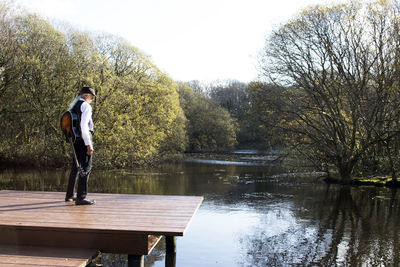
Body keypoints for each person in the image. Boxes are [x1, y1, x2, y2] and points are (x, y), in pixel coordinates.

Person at [65, 86, 96, 205]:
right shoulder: (86, 106)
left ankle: (69, 195)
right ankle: (81, 197)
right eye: (92, 97)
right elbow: (84, 127)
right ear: (87, 96)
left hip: (74, 140)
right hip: (83, 140)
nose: (92, 99)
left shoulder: (74, 105)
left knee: (75, 168)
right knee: (86, 168)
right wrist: (89, 145)